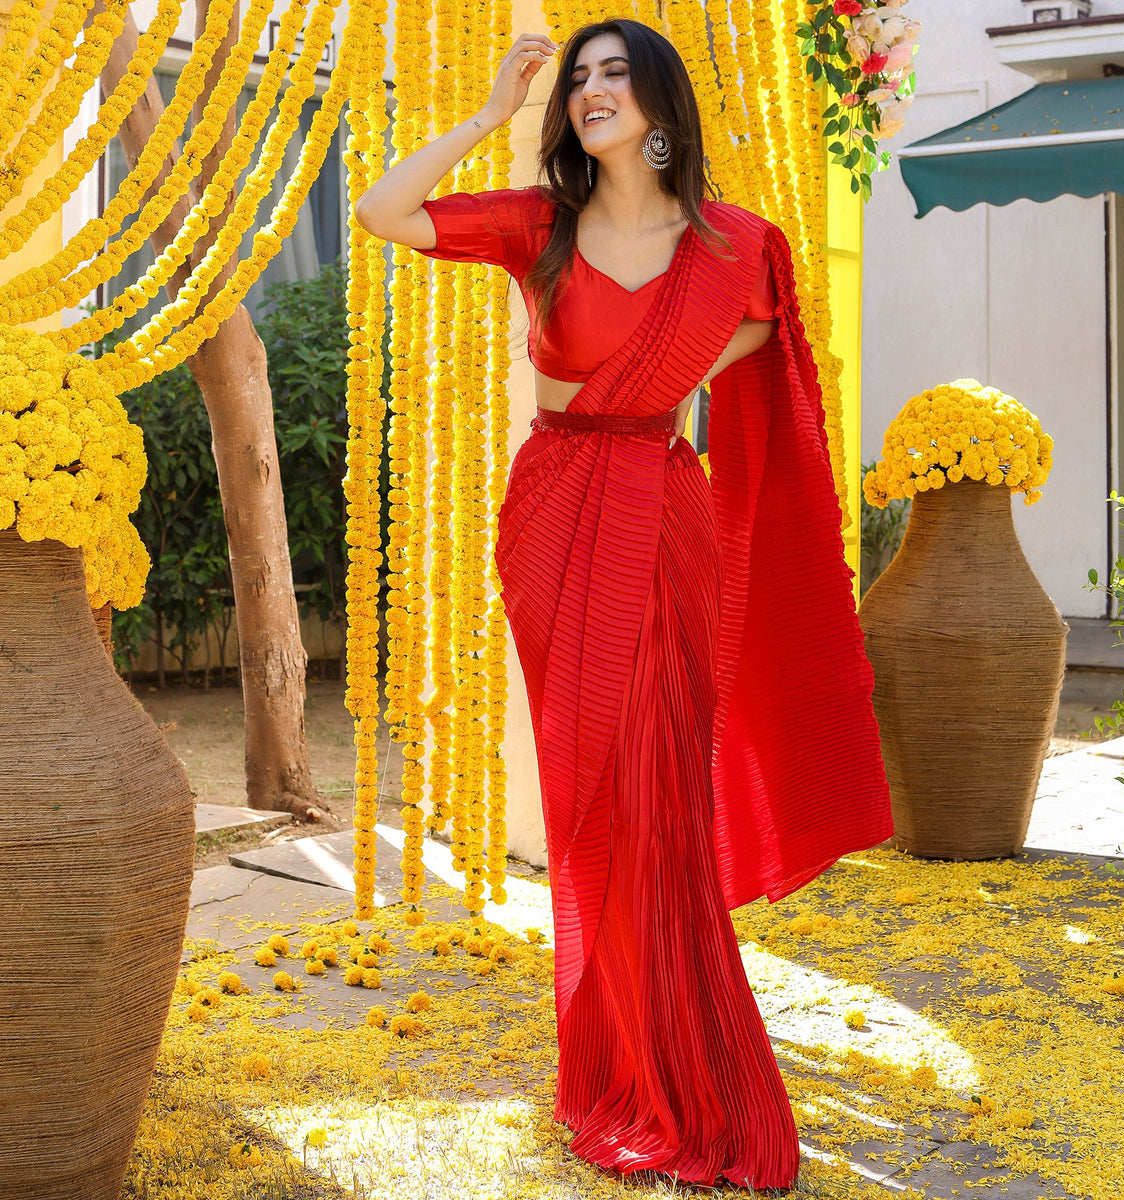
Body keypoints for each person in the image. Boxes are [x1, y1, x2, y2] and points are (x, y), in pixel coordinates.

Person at [356, 18, 893, 1191]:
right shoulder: (539, 225)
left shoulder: (742, 244)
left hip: (667, 510)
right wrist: (496, 113)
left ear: (661, 100)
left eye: (613, 73)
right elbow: (383, 212)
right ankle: (616, 1058)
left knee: (666, 792)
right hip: (555, 515)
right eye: (578, 78)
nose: (590, 90)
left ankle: (693, 1065)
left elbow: (773, 353)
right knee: (597, 792)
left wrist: (679, 367)